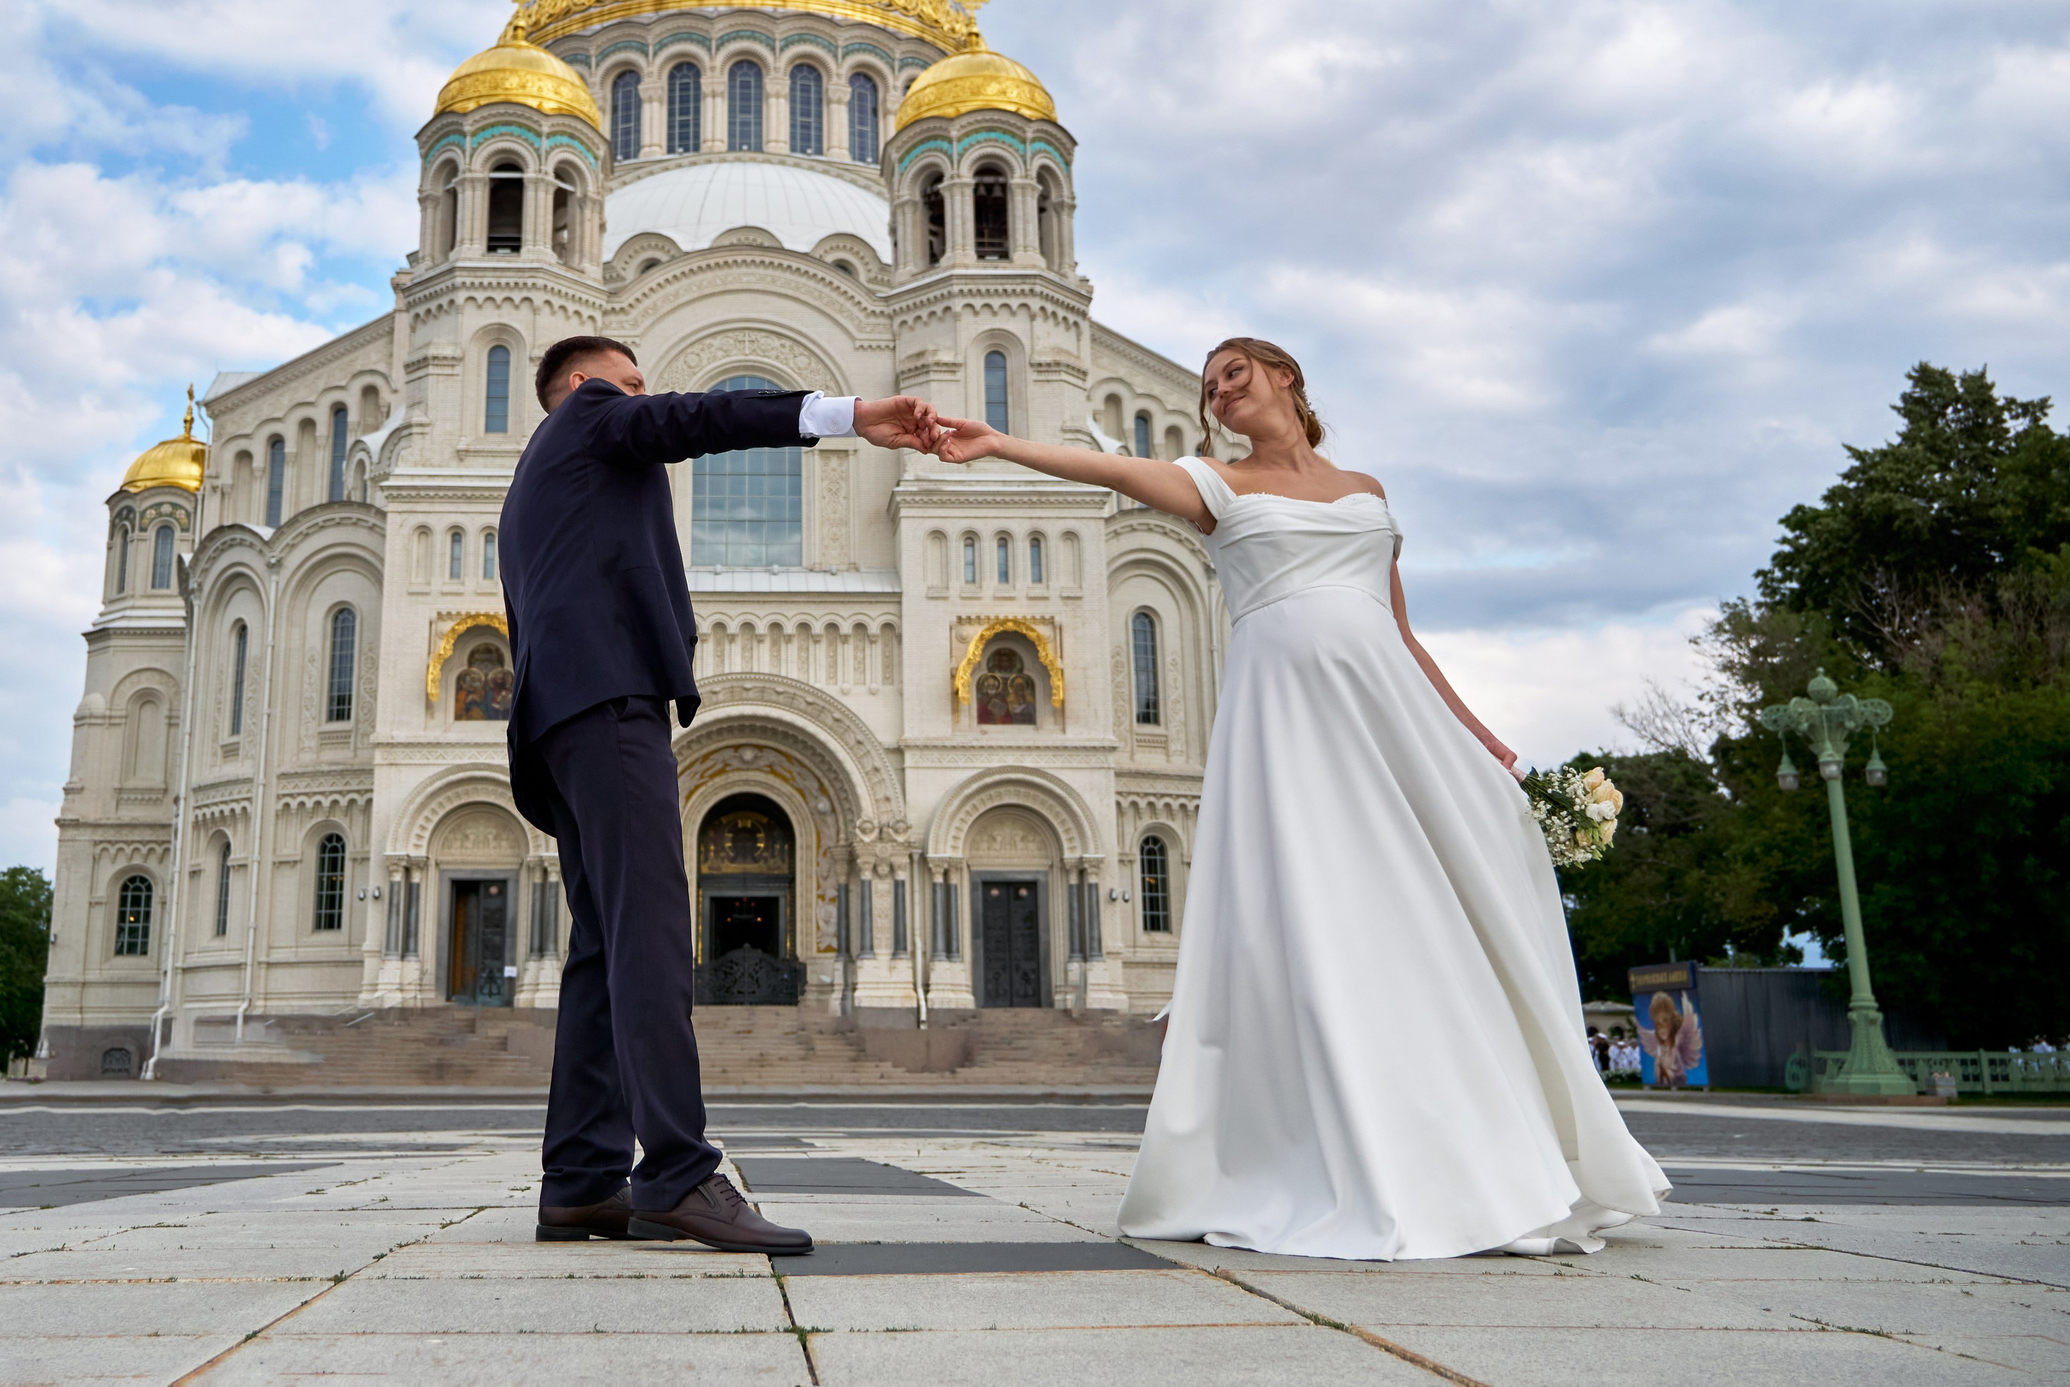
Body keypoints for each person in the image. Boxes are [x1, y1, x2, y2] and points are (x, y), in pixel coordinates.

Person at [933, 337, 1668, 1260]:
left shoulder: (1367, 491)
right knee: (1319, 913)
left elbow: (1403, 635)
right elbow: (1110, 468)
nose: (1218, 392)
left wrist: (1479, 737)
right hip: (1286, 726)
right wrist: (998, 443)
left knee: (1432, 906)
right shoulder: (1215, 484)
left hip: (1388, 717)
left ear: (1284, 376)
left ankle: (1479, 1140)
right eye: (1209, 388)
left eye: (1233, 372)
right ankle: (1340, 1147)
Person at [501, 335, 938, 1254]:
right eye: (629, 382)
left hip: (560, 715)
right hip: (609, 699)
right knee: (654, 933)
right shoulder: (590, 418)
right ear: (580, 386)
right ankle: (677, 1171)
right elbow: (696, 416)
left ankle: (581, 1180)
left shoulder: (535, 479)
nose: (642, 394)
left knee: (602, 946)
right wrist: (848, 414)